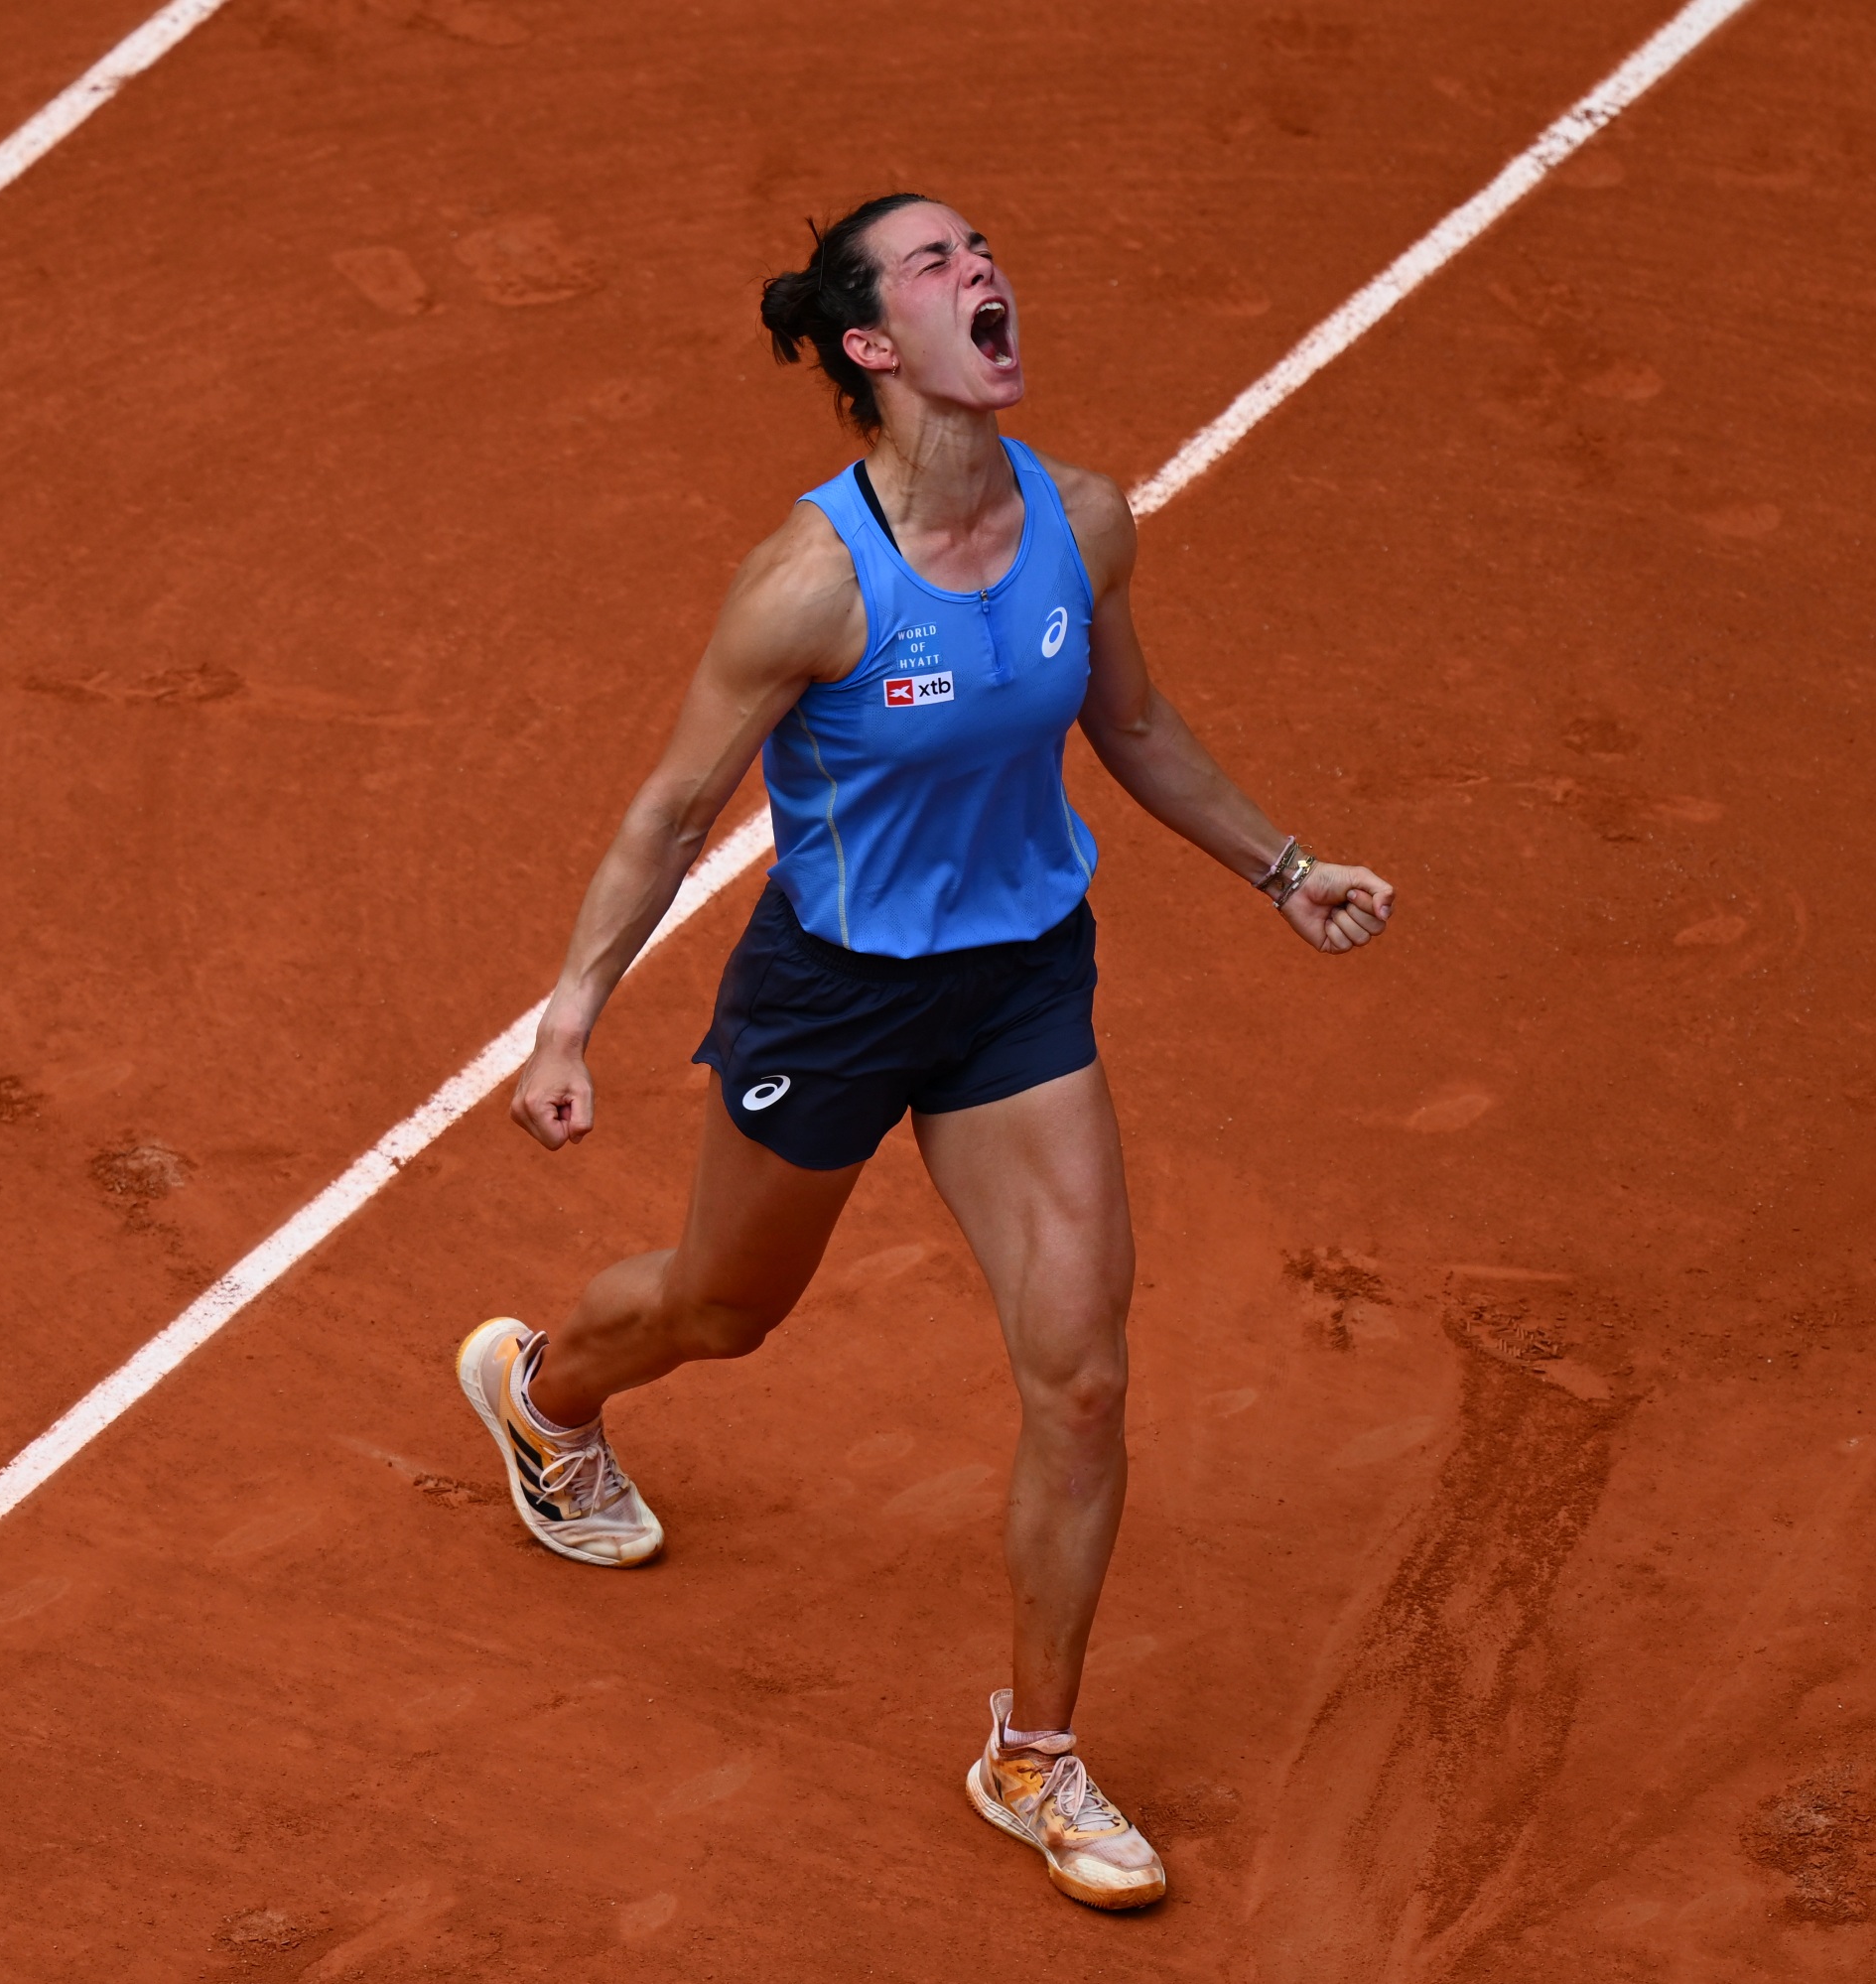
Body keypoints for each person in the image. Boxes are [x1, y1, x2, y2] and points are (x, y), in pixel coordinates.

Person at [453, 193, 1394, 1911]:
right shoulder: (811, 583)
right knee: (721, 1311)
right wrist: (568, 1019)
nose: (986, 274)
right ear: (874, 348)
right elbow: (674, 813)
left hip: (1019, 986)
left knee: (1086, 1376)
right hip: (833, 995)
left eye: (984, 251)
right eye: (938, 264)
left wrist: (1281, 866)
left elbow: (1134, 724)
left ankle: (1032, 1754)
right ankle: (544, 1392)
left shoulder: (1084, 522)